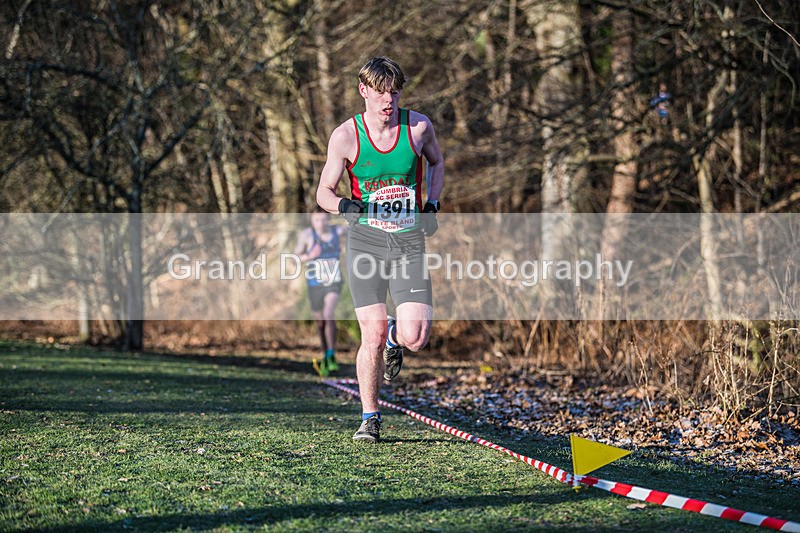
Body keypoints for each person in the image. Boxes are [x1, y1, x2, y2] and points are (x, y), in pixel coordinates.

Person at [316, 56, 444, 443]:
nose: (389, 100)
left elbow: (437, 163)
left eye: (395, 92)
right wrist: (344, 205)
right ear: (364, 91)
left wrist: (432, 204)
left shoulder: (418, 128)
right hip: (366, 244)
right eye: (381, 92)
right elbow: (323, 192)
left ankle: (394, 338)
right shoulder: (346, 136)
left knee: (415, 337)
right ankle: (369, 418)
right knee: (369, 334)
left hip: (408, 243)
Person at [293, 206, 347, 377]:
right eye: (317, 220)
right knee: (320, 321)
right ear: (311, 220)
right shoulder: (307, 236)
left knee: (328, 313)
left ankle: (331, 355)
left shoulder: (337, 231)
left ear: (328, 219)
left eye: (324, 219)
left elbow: (356, 227)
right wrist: (310, 256)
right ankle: (325, 355)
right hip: (314, 283)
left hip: (333, 281)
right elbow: (294, 259)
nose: (321, 223)